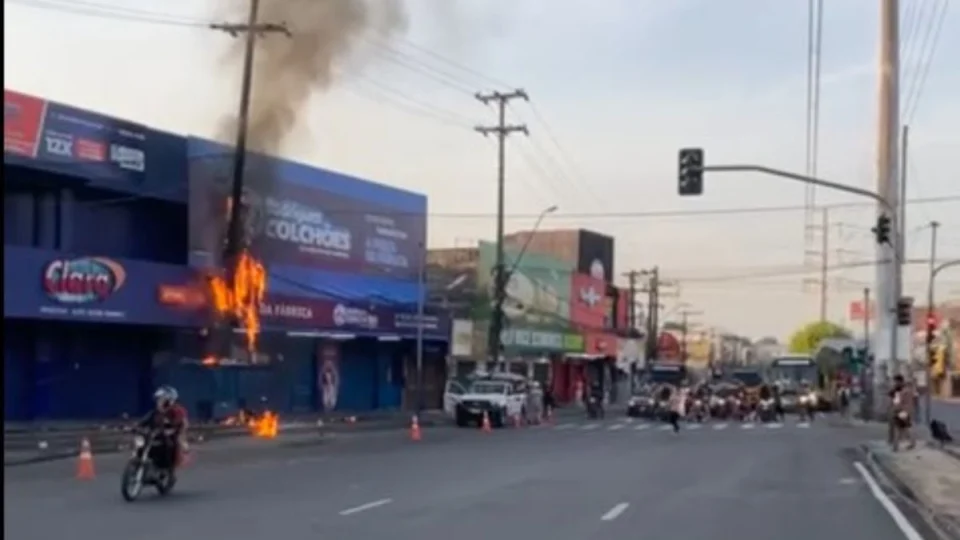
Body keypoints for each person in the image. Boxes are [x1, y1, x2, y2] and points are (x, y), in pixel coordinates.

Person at [137, 386, 189, 469]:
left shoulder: (177, 411)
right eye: (158, 400)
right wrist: (136, 428)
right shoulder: (155, 413)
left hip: (171, 436)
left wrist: (173, 431)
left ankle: (167, 467)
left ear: (170, 401)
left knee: (170, 445)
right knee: (141, 444)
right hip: (156, 435)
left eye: (162, 400)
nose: (159, 403)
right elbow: (144, 422)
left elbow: (182, 425)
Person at [888, 375, 916, 451]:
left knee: (899, 428)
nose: (895, 383)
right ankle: (912, 442)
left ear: (900, 381)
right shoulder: (905, 389)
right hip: (906, 411)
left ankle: (895, 446)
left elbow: (897, 402)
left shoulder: (900, 391)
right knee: (905, 427)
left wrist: (895, 410)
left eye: (896, 381)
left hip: (901, 411)